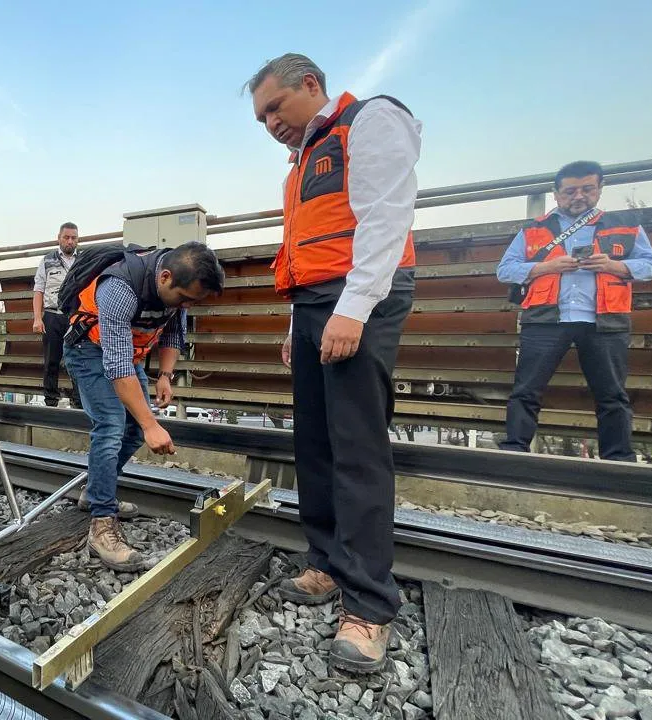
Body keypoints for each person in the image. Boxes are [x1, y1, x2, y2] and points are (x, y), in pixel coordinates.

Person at [246, 53, 420, 673]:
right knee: (315, 442)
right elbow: (304, 248)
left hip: (358, 298)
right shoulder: (302, 161)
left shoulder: (370, 121)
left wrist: (353, 310)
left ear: (311, 85)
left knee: (356, 446)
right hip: (318, 302)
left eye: (276, 107)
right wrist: (300, 322)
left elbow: (384, 217)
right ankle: (326, 560)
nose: (271, 123)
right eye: (262, 116)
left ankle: (369, 604)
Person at [63, 242, 224, 571]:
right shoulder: (119, 288)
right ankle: (101, 525)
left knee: (133, 428)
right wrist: (153, 424)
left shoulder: (179, 289)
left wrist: (165, 375)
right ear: (165, 278)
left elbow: (171, 334)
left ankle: (94, 491)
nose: (187, 305)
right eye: (185, 299)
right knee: (111, 425)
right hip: (88, 348)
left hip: (128, 352)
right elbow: (118, 366)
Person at [496, 161, 652, 462]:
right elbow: (505, 270)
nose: (579, 196)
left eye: (587, 189)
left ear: (599, 190)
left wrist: (613, 265)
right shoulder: (534, 229)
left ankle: (618, 461)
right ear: (557, 194)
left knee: (612, 395)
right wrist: (546, 267)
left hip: (605, 320)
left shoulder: (624, 224)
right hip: (546, 319)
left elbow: (651, 264)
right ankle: (513, 452)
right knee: (526, 390)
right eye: (570, 191)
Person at [32, 223, 82, 408]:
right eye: (66, 237)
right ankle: (50, 400)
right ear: (59, 238)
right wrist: (38, 318)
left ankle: (79, 401)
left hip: (76, 318)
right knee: (51, 360)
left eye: (73, 238)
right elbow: (39, 289)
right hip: (52, 316)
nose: (70, 241)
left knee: (77, 359)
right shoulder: (47, 260)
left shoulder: (83, 260)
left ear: (77, 239)